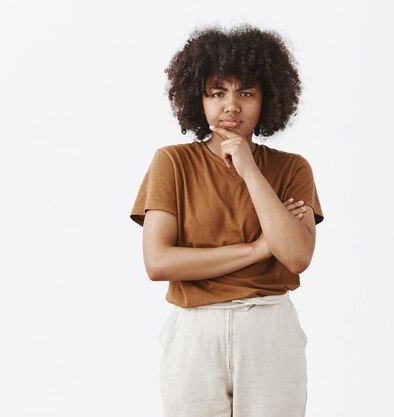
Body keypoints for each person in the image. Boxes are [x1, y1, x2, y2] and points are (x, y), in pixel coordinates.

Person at [129, 24, 324, 417]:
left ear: (267, 99)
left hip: (269, 325)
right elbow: (159, 263)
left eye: (246, 93)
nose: (231, 105)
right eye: (217, 92)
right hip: (194, 330)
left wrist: (250, 170)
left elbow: (298, 258)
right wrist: (260, 247)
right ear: (197, 99)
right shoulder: (172, 162)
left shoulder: (290, 168)